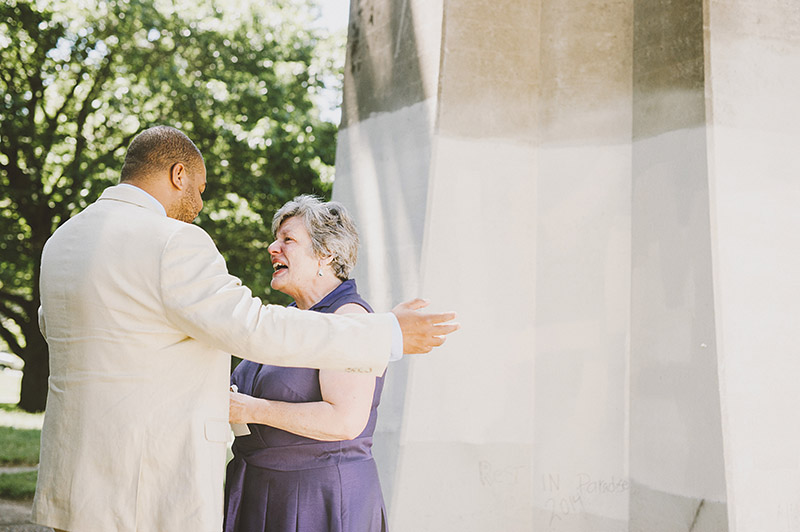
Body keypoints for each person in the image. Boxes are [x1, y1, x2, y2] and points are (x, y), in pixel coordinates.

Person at [31, 126, 458, 532]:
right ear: (178, 175)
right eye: (200, 190)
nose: (199, 206)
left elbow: (62, 334)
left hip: (73, 482)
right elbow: (251, 326)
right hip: (142, 488)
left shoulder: (63, 241)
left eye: (288, 239)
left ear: (327, 254)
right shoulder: (171, 241)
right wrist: (387, 333)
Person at [225, 196, 389, 532]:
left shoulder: (350, 319)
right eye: (276, 239)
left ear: (326, 254)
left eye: (288, 239)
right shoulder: (285, 319)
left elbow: (345, 420)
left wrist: (250, 409)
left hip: (317, 498)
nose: (273, 248)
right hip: (257, 489)